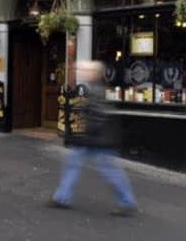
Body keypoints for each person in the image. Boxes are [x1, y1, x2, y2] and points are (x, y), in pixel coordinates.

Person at [46, 60, 138, 216]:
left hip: (98, 139)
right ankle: (62, 197)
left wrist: (86, 134)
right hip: (96, 138)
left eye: (85, 70)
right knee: (75, 164)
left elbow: (98, 116)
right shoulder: (95, 87)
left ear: (94, 73)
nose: (82, 73)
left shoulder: (95, 90)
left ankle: (127, 202)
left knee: (109, 170)